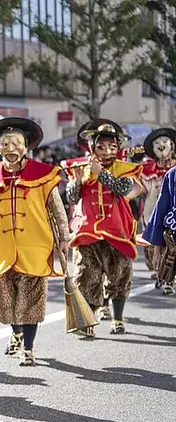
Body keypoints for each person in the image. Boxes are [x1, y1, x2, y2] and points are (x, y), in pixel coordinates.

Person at [0, 118, 70, 366]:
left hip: (35, 246)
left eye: (17, 143)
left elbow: (57, 209)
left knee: (31, 300)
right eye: (6, 143)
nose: (11, 148)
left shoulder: (43, 175)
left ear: (26, 147)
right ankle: (15, 331)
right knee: (3, 299)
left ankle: (28, 348)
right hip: (0, 249)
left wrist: (65, 238)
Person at [67, 120, 143, 336]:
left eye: (112, 147)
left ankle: (117, 319)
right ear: (93, 147)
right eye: (101, 146)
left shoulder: (126, 169)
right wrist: (78, 182)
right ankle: (86, 322)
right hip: (87, 231)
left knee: (119, 274)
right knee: (85, 275)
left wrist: (100, 173)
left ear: (118, 148)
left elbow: (121, 190)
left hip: (116, 231)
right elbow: (72, 198)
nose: (107, 151)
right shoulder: (80, 167)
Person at [140, 128, 176, 293]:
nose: (161, 146)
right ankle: (163, 275)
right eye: (157, 143)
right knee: (159, 248)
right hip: (157, 214)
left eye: (165, 142)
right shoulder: (166, 174)